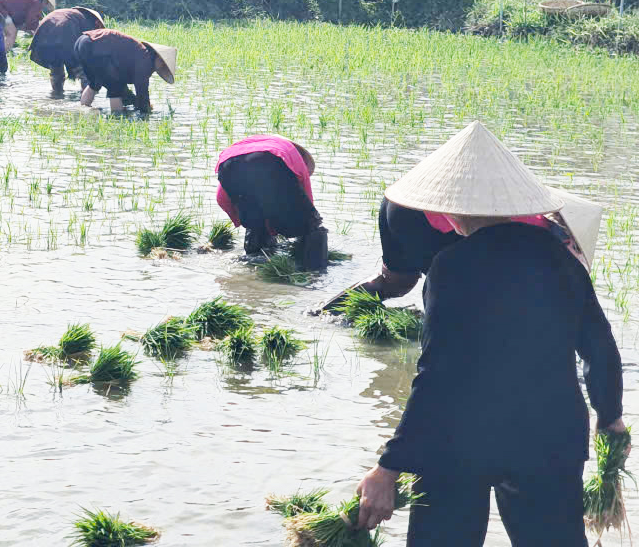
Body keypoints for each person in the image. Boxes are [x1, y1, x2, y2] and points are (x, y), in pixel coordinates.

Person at [354, 122, 623, 546]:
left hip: (461, 441)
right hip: (549, 439)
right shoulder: (564, 260)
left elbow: (437, 374)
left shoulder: (450, 267)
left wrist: (389, 467)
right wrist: (611, 418)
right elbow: (601, 349)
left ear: (449, 211)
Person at [215, 134, 327, 264]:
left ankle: (253, 265)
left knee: (256, 224)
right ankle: (314, 273)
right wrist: (309, 223)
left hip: (227, 165)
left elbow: (221, 197)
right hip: (269, 161)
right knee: (312, 226)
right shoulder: (292, 154)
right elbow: (306, 198)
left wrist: (243, 218)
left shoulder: (248, 146)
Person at [74, 28, 175, 114]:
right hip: (94, 46)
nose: (161, 66)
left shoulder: (141, 52)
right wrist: (146, 111)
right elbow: (142, 92)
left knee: (94, 84)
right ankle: (117, 119)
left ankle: (83, 112)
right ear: (157, 57)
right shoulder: (145, 59)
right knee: (115, 87)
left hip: (82, 42)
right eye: (162, 63)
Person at [29, 6, 105, 95]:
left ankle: (56, 94)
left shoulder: (73, 14)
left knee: (55, 67)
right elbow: (86, 47)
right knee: (82, 70)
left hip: (44, 34)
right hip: (65, 33)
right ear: (96, 21)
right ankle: (88, 97)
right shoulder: (87, 21)